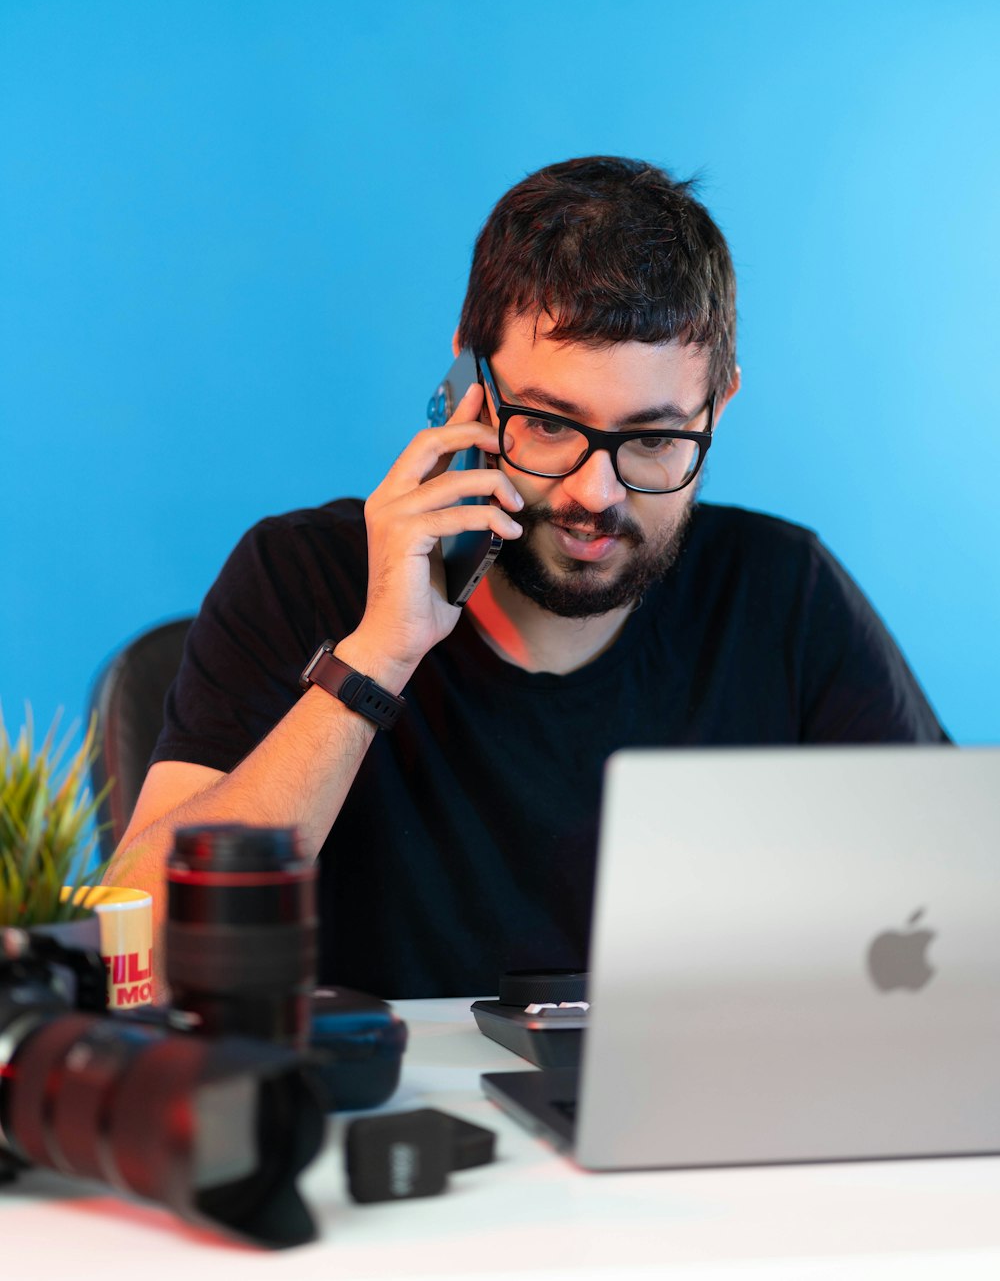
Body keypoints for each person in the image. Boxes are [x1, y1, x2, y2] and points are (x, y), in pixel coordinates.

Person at [105, 156, 946, 997]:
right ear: (466, 382)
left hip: (683, 1110)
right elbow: (132, 955)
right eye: (546, 424)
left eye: (653, 439)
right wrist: (373, 664)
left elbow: (956, 910)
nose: (595, 493)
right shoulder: (301, 577)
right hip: (385, 1120)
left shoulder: (781, 593)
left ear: (717, 408)